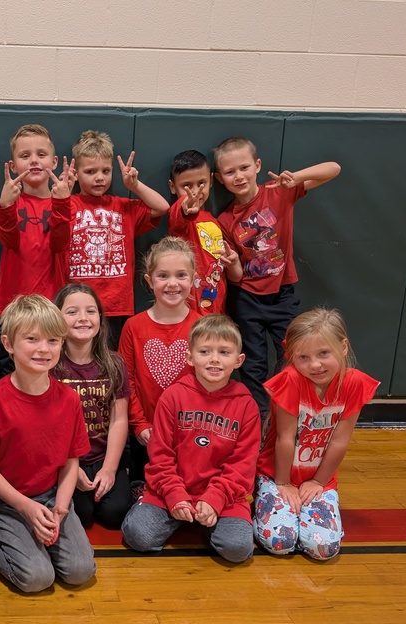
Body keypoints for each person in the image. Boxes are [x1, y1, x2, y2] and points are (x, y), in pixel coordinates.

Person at [0, 294, 97, 593]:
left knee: (80, 572)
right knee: (36, 579)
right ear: (8, 344)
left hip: (53, 497)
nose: (44, 349)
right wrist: (25, 507)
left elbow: (72, 459)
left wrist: (59, 509)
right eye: (32, 339)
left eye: (53, 341)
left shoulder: (69, 399)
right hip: (9, 501)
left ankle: (40, 533)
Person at [214, 136, 341, 418]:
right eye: (230, 172)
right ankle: (256, 424)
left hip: (282, 295)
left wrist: (295, 177)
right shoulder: (224, 221)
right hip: (246, 299)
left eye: (244, 167)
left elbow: (333, 168)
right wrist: (232, 263)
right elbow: (236, 276)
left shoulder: (279, 191)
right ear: (219, 178)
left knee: (293, 356)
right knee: (253, 365)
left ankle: (283, 416)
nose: (238, 176)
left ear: (257, 165)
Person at [121, 315, 260, 563]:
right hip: (169, 491)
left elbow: (243, 465)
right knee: (137, 535)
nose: (214, 359)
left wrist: (215, 499)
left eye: (224, 352)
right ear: (190, 357)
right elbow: (160, 455)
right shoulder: (173, 397)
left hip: (224, 497)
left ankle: (207, 519)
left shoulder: (246, 405)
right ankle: (177, 512)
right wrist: (175, 495)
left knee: (237, 549)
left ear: (238, 360)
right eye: (205, 351)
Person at [253, 308, 378, 560]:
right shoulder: (290, 380)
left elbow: (340, 440)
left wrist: (319, 481)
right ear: (291, 357)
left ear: (343, 347)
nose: (315, 365)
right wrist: (283, 483)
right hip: (277, 473)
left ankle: (303, 514)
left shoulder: (354, 383)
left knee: (323, 549)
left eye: (324, 353)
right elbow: (284, 438)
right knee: (281, 542)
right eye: (303, 357)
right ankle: (264, 500)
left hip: (317, 477)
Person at [65, 130, 170, 343]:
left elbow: (163, 207)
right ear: (76, 172)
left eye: (106, 170)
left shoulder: (122, 207)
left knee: (111, 361)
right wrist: (61, 194)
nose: (99, 178)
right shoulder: (69, 205)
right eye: (90, 171)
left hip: (116, 304)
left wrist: (134, 186)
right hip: (78, 305)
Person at [0, 124, 75, 375]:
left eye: (41, 154)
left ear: (54, 161)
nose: (34, 161)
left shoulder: (63, 201)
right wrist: (6, 205)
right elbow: (9, 241)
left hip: (52, 304)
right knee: (11, 372)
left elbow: (60, 243)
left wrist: (61, 203)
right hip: (11, 305)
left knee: (52, 372)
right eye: (25, 156)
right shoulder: (8, 202)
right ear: (13, 165)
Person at [117, 237, 199, 482]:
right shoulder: (133, 327)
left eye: (181, 275)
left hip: (191, 434)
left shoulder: (202, 326)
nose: (172, 284)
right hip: (147, 436)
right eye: (163, 276)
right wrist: (140, 425)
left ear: (193, 279)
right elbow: (126, 380)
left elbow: (210, 382)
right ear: (149, 281)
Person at [52, 283, 133, 530]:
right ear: (57, 318)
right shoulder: (50, 365)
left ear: (100, 317)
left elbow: (119, 420)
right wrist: (70, 468)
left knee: (114, 515)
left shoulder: (114, 363)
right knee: (83, 515)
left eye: (90, 311)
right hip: (65, 458)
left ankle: (128, 479)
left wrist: (109, 469)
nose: (83, 318)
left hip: (102, 456)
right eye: (72, 312)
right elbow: (48, 427)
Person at [166, 149, 242, 315]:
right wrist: (186, 207)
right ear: (172, 187)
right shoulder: (179, 218)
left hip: (216, 309)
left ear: (211, 180)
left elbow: (235, 276)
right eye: (186, 185)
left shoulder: (217, 222)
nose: (195, 191)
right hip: (189, 311)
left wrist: (233, 262)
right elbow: (179, 214)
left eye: (201, 183)